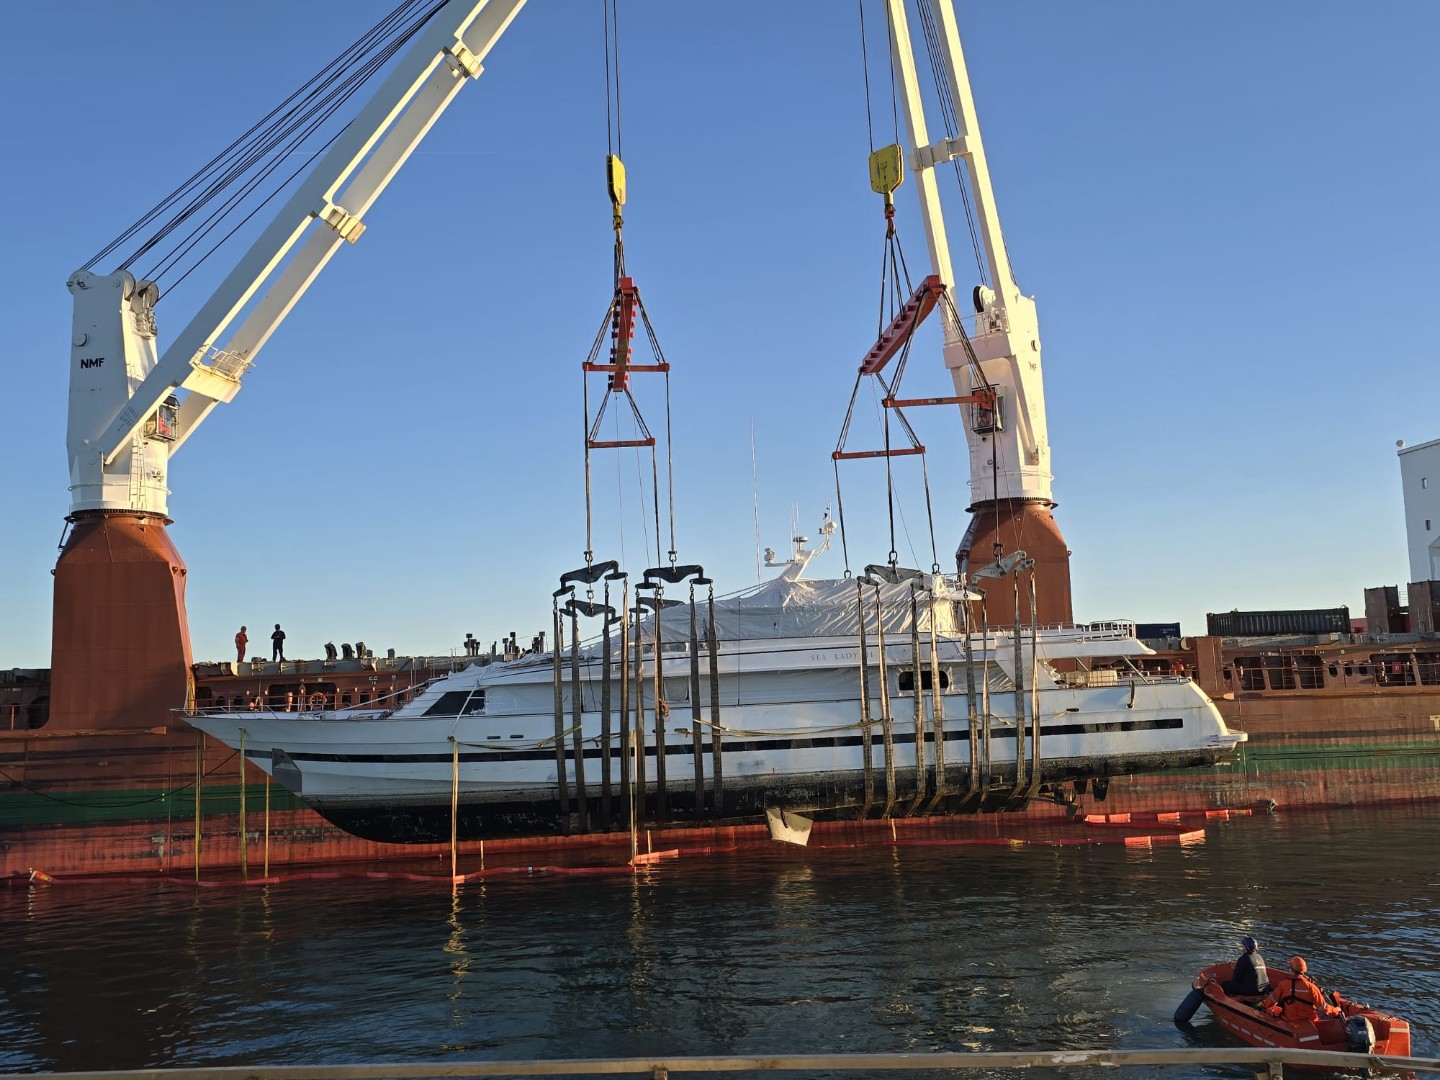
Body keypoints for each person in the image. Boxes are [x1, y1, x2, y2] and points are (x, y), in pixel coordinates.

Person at [1264, 956, 1340, 1022]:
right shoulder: (1312, 987)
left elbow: (1270, 1001)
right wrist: (1336, 1010)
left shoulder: (1284, 985)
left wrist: (1261, 1006)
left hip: (1289, 1020)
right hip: (1311, 1022)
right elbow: (1323, 1009)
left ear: (1291, 969)